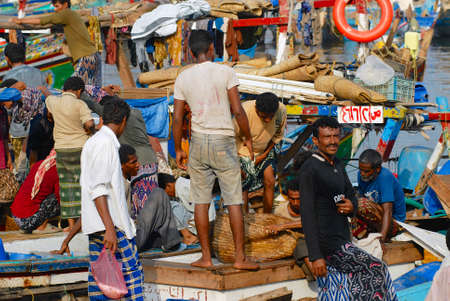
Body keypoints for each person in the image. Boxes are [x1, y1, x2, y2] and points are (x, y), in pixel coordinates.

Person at [173, 30, 258, 270]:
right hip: (223, 142)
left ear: (191, 53)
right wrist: (248, 138)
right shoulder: (226, 72)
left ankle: (206, 257)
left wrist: (179, 148)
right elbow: (238, 111)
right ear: (212, 49)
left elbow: (178, 119)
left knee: (201, 202)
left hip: (198, 142)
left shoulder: (183, 77)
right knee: (233, 201)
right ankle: (240, 258)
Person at [299, 117, 397, 300]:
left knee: (337, 288)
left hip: (343, 237)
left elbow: (351, 193)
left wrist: (352, 206)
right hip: (328, 243)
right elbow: (307, 214)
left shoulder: (336, 164)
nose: (333, 141)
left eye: (336, 136)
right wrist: (315, 255)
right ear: (315, 141)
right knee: (375, 268)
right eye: (327, 137)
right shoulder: (310, 169)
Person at [80, 98, 143, 300]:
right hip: (112, 227)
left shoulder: (93, 142)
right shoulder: (105, 144)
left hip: (101, 226)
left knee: (104, 286)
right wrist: (109, 228)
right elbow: (98, 189)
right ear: (123, 121)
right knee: (132, 284)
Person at [81, 94, 159, 219]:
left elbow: (92, 105)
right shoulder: (136, 112)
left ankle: (143, 235)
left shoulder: (118, 115)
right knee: (150, 205)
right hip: (150, 160)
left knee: (142, 208)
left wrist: (78, 95)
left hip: (136, 162)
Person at [12, 0, 101, 86]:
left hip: (86, 57)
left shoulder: (65, 14)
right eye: (54, 6)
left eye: (57, 6)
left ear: (65, 4)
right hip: (93, 55)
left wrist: (21, 21)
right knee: (92, 88)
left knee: (77, 88)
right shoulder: (72, 14)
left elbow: (43, 20)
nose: (55, 9)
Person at [46, 76, 94, 230]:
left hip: (61, 149)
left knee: (67, 186)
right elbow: (89, 123)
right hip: (80, 148)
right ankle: (84, 222)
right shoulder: (80, 104)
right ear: (79, 91)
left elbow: (48, 105)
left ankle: (72, 225)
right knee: (83, 185)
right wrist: (90, 130)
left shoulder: (53, 101)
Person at [119, 144, 182, 252]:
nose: (138, 165)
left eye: (137, 161)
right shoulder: (119, 184)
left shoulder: (126, 182)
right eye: (133, 163)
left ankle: (170, 241)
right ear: (121, 165)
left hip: (132, 234)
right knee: (159, 194)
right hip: (127, 240)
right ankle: (172, 242)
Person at [235, 92, 287, 213]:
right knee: (244, 185)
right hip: (241, 152)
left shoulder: (281, 110)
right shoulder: (245, 111)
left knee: (270, 180)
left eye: (271, 116)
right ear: (256, 109)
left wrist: (264, 155)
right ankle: (244, 218)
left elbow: (276, 137)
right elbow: (231, 139)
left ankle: (267, 217)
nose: (268, 120)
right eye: (264, 117)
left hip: (265, 150)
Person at [356, 149, 406, 243]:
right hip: (376, 217)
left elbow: (388, 211)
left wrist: (382, 239)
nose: (362, 173)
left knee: (361, 204)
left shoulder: (384, 177)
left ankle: (382, 235)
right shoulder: (361, 175)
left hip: (394, 223)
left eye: (366, 171)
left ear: (377, 169)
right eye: (361, 170)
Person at [10, 151, 60, 233]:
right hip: (28, 219)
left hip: (16, 217)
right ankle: (42, 227)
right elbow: (61, 197)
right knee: (59, 196)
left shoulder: (39, 164)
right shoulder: (57, 170)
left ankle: (32, 227)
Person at [158, 173, 199, 245]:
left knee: (169, 205)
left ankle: (188, 236)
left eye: (166, 193)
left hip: (200, 223)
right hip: (198, 221)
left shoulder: (183, 188)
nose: (168, 195)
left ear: (168, 186)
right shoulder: (181, 185)